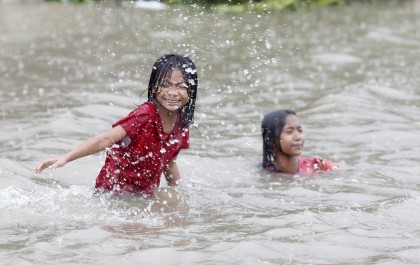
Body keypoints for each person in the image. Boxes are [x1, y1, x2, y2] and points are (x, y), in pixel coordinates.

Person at [35, 54, 198, 195]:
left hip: (144, 195)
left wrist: (179, 193)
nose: (172, 92)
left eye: (180, 87)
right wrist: (66, 158)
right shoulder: (145, 115)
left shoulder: (181, 124)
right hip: (113, 192)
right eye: (165, 85)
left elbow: (169, 163)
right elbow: (106, 139)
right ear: (154, 88)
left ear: (191, 91)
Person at [261, 109, 338, 174]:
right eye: (289, 132)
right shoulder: (262, 172)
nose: (298, 137)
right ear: (269, 140)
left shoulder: (320, 166)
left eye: (300, 130)